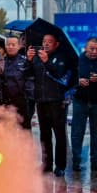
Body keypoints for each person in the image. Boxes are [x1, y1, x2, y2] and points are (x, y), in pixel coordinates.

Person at [28, 33, 70, 175]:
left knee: (59, 134)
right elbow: (28, 74)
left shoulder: (62, 57)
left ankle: (60, 166)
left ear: (56, 44)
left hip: (57, 101)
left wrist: (47, 62)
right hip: (41, 100)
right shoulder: (37, 57)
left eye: (49, 42)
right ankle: (46, 164)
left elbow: (59, 74)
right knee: (44, 134)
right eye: (44, 41)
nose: (46, 44)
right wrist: (29, 60)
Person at [71, 37, 97, 173]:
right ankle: (76, 161)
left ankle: (95, 162)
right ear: (86, 48)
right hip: (80, 100)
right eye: (91, 48)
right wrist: (78, 81)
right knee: (77, 132)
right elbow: (69, 77)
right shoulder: (77, 60)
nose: (94, 51)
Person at [1, 35, 34, 129]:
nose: (10, 47)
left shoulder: (25, 61)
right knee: (6, 129)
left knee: (25, 129)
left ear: (19, 46)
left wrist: (28, 96)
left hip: (22, 101)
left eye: (13, 44)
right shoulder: (1, 61)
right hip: (5, 101)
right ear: (5, 46)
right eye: (8, 44)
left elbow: (30, 79)